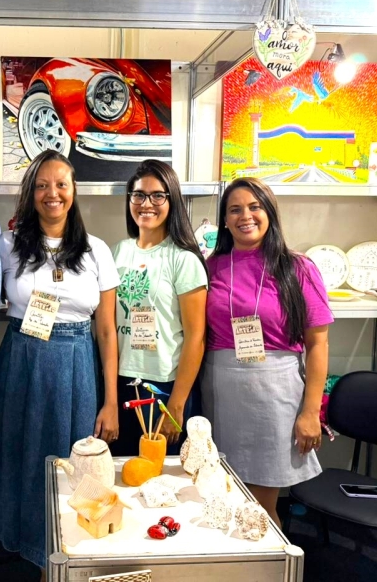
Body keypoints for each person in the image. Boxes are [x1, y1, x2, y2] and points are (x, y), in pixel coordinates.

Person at [0, 149, 119, 570]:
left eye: (60, 184)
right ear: (30, 193)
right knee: (15, 454)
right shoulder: (7, 246)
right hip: (21, 359)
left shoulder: (95, 250)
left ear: (73, 191)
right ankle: (21, 549)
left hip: (77, 364)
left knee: (72, 460)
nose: (51, 193)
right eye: (41, 185)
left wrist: (111, 401)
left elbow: (106, 332)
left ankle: (64, 554)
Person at [201, 176, 332, 525]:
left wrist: (310, 412)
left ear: (270, 212)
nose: (245, 216)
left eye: (254, 206)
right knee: (221, 498)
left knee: (259, 509)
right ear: (224, 220)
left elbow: (318, 344)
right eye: (235, 209)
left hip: (273, 395)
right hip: (220, 392)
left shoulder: (298, 268)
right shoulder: (211, 266)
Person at [112, 160, 207, 457]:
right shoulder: (118, 251)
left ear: (171, 200)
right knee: (125, 470)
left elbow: (196, 337)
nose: (146, 203)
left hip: (165, 385)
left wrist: (177, 404)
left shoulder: (184, 259)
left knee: (161, 474)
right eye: (139, 195)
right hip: (122, 379)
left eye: (157, 196)